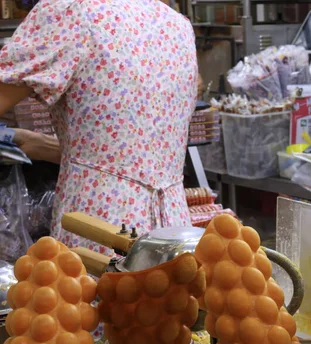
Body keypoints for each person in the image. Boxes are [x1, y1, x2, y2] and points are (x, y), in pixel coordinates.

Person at [0, 0, 200, 253]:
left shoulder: (71, 13)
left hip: (100, 226)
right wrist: (43, 145)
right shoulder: (176, 24)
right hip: (174, 230)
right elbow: (127, 146)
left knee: (95, 291)